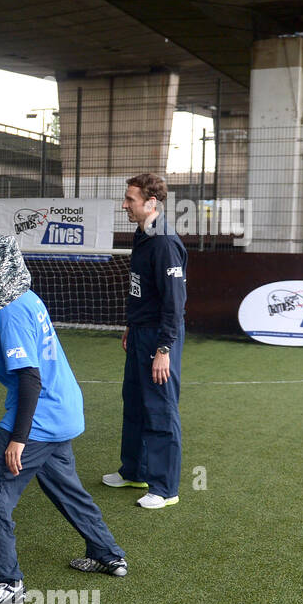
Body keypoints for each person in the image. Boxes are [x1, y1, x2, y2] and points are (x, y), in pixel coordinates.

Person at [0, 234, 128, 604]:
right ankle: (107, 553)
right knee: (65, 486)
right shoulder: (25, 297)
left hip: (42, 415)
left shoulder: (9, 311)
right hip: (63, 410)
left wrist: (18, 438)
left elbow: (29, 379)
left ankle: (5, 581)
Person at [103, 172, 187, 509]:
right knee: (135, 401)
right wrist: (131, 324)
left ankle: (165, 488)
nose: (124, 205)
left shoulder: (165, 241)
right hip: (139, 332)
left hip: (159, 338)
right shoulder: (142, 235)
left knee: (160, 409)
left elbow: (174, 303)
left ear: (151, 203)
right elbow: (143, 291)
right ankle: (134, 471)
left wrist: (163, 349)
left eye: (130, 200)